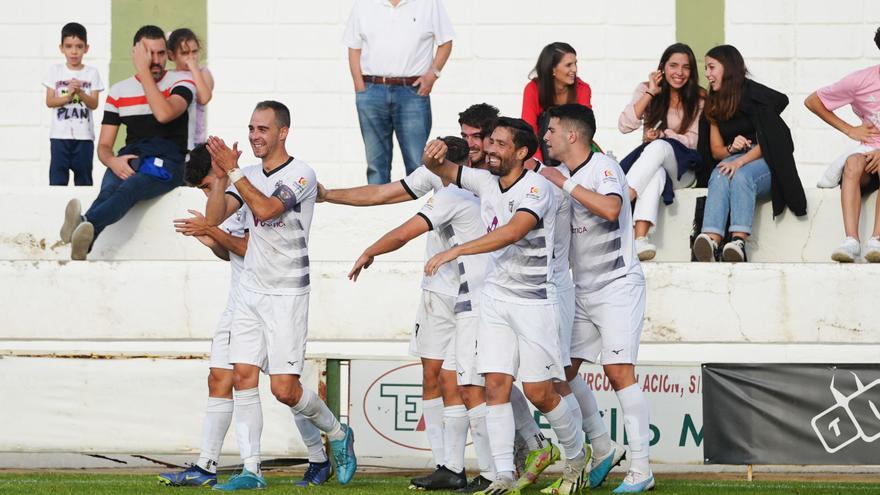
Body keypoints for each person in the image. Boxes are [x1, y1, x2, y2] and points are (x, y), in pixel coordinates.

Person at [422, 117, 590, 495]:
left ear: (521, 152)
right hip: (497, 299)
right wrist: (432, 154)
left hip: (534, 301)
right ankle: (503, 475)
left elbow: (513, 231)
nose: (490, 150)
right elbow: (442, 169)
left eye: (500, 144)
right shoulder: (484, 181)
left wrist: (457, 249)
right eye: (490, 142)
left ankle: (577, 459)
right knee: (494, 384)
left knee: (538, 392)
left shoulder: (537, 189)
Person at [157, 146, 333, 488]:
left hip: (271, 298)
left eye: (209, 186)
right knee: (221, 378)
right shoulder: (226, 200)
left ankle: (320, 453)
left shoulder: (246, 190)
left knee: (286, 389)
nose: (209, 194)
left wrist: (212, 231)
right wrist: (210, 239)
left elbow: (253, 248)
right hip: (241, 302)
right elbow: (229, 252)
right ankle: (213, 466)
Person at [204, 101, 356, 490]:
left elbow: (268, 209)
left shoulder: (302, 174)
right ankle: (251, 470)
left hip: (287, 292)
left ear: (283, 132)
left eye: (263, 129)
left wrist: (235, 172)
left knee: (284, 390)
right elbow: (214, 218)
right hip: (251, 289)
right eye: (251, 128)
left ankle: (338, 434)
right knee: (242, 376)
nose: (255, 136)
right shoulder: (248, 173)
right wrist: (221, 176)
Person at [346, 137, 494, 491]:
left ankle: (491, 470)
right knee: (440, 378)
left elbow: (403, 234)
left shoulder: (455, 195)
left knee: (466, 385)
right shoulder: (447, 188)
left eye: (432, 155)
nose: (425, 160)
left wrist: (369, 251)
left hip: (467, 298)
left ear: (444, 161)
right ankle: (449, 466)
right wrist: (328, 195)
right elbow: (381, 194)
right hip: (443, 293)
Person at [540, 103, 652, 493]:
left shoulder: (603, 167)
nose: (546, 136)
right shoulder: (565, 175)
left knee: (619, 372)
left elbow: (610, 208)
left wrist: (563, 183)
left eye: (552, 130)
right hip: (582, 291)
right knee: (561, 373)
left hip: (618, 285)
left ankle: (641, 469)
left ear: (572, 135)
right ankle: (603, 449)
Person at [59, 25, 196, 260]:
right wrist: (113, 161)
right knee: (109, 190)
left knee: (131, 188)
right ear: (136, 53)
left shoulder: (182, 81)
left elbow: (164, 113)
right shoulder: (119, 91)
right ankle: (84, 241)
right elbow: (104, 146)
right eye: (148, 54)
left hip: (167, 161)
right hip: (131, 156)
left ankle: (84, 223)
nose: (155, 60)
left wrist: (143, 73)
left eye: (161, 53)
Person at [692, 45, 807, 262]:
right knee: (718, 173)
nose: (707, 74)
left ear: (727, 68)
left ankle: (738, 242)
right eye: (706, 68)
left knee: (741, 176)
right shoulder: (714, 103)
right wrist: (731, 149)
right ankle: (712, 239)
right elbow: (717, 151)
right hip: (736, 160)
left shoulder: (755, 97)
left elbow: (771, 141)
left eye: (711, 67)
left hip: (766, 162)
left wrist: (741, 160)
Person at [343, 0, 455, 184]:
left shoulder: (429, 4)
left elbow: (446, 42)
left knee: (418, 164)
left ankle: (422, 212)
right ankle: (379, 212)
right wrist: (359, 87)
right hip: (372, 91)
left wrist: (432, 75)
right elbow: (354, 47)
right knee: (376, 165)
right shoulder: (363, 4)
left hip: (412, 92)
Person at [618, 43, 704, 261]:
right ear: (662, 68)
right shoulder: (646, 88)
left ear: (692, 71)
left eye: (686, 67)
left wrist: (665, 135)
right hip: (655, 167)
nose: (679, 73)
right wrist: (650, 93)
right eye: (673, 66)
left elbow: (693, 141)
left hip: (684, 170)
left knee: (658, 147)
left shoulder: (699, 98)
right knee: (655, 173)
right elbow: (625, 125)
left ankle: (619, 202)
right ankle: (640, 240)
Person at [804, 28, 880, 262]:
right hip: (868, 153)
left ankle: (877, 240)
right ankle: (851, 242)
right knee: (852, 164)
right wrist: (850, 129)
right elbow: (813, 101)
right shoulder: (862, 80)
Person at [43, 22, 104, 186]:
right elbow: (49, 101)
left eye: (79, 46)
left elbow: (94, 104)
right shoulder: (55, 70)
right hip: (59, 136)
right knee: (57, 180)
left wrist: (80, 92)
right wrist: (68, 96)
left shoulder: (92, 73)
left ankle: (83, 212)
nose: (74, 51)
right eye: (69, 46)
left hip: (84, 137)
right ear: (61, 48)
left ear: (86, 48)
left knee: (84, 180)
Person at [521, 42, 592, 164]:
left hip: (574, 153)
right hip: (542, 153)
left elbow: (584, 128)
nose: (574, 69)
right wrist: (538, 164)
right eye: (568, 65)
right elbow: (528, 130)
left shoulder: (582, 88)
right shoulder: (533, 89)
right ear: (552, 70)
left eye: (575, 64)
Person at [168, 28, 214, 148]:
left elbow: (204, 98)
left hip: (195, 140)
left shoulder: (203, 73)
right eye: (184, 53)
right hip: (173, 140)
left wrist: (194, 69)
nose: (191, 58)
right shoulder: (169, 76)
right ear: (172, 55)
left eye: (194, 52)